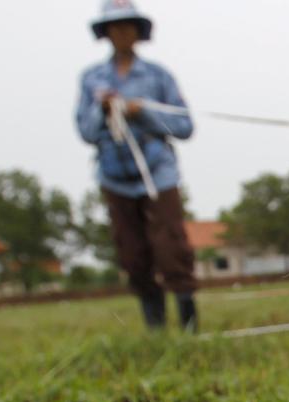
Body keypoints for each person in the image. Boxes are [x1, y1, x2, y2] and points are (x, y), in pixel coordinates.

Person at [76, 0, 197, 331]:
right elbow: (85, 132)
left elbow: (184, 125)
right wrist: (103, 111)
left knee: (172, 249)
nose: (122, 32)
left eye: (128, 25)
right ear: (105, 32)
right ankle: (155, 327)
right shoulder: (91, 80)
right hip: (115, 177)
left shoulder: (158, 76)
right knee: (132, 255)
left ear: (139, 31)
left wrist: (140, 111)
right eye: (114, 26)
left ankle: (189, 325)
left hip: (158, 174)